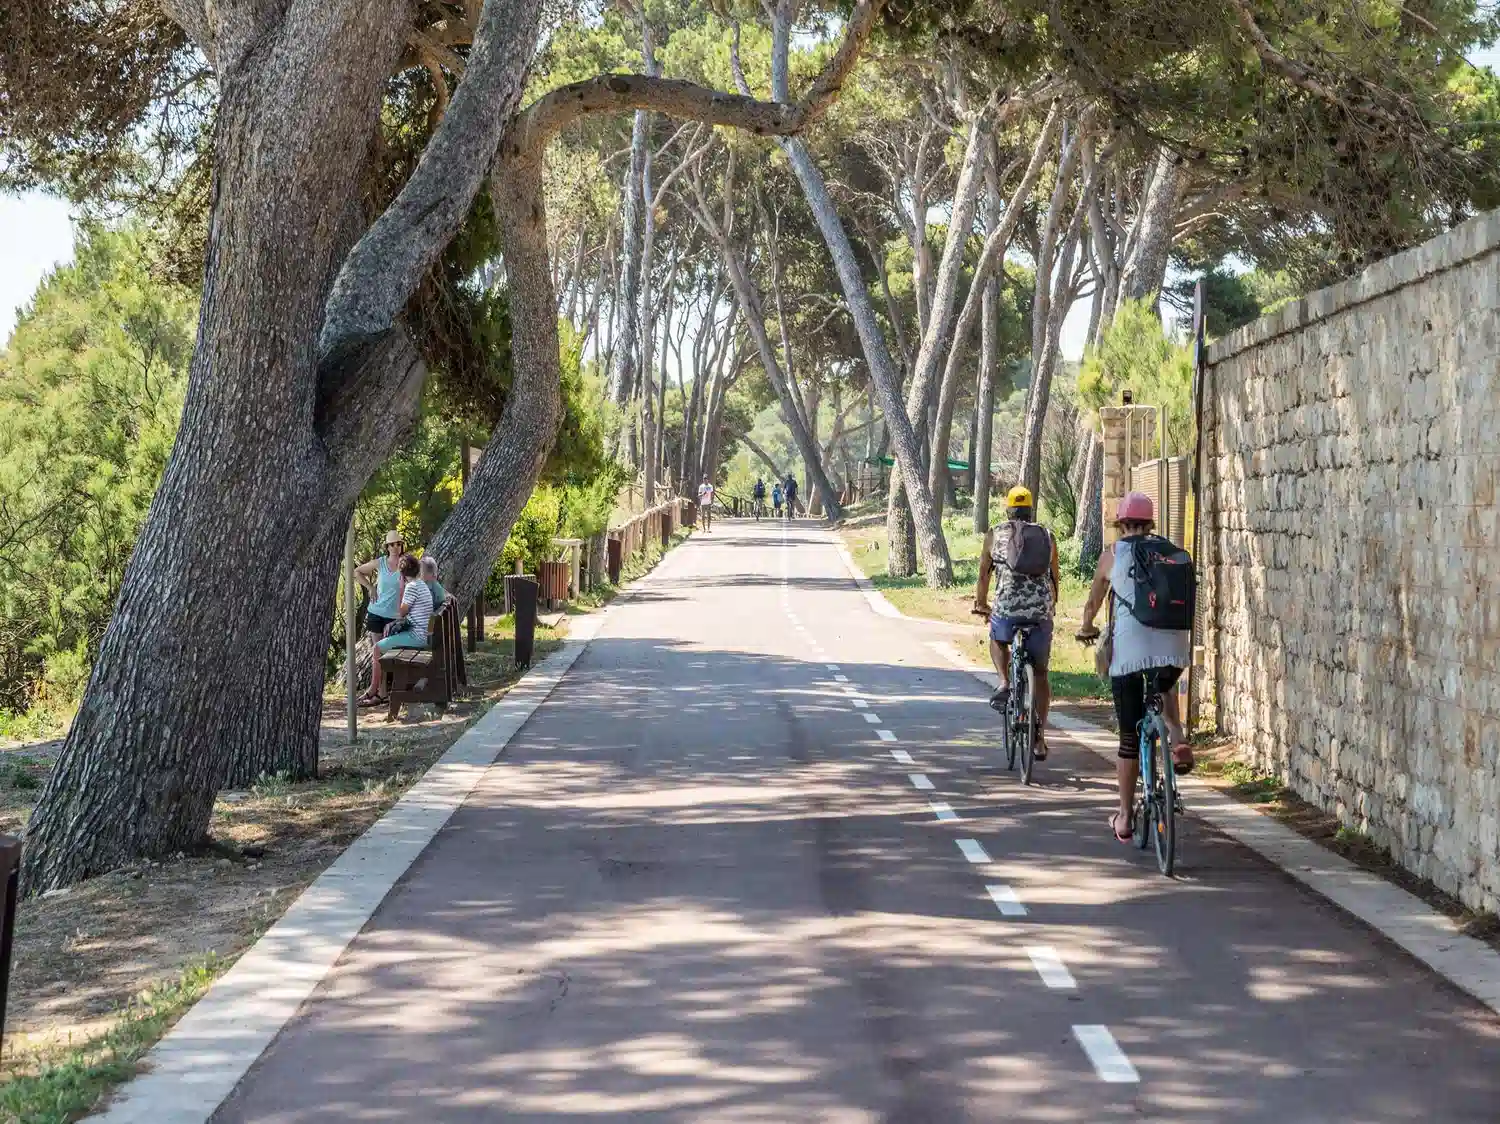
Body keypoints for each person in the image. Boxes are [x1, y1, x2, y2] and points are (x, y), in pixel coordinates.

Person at [1077, 491, 1194, 843]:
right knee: (1163, 685)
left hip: (1130, 652)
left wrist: (1086, 627)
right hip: (1175, 647)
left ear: (1121, 524)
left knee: (1128, 737)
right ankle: (1177, 738)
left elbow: (1094, 601)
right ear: (1150, 523)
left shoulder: (1113, 555)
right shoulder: (1171, 553)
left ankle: (1125, 817)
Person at [973, 485, 1060, 760]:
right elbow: (1054, 577)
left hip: (1007, 608)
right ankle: (1039, 739)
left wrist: (981, 604)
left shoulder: (994, 534)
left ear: (1008, 510)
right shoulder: (1047, 535)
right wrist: (1051, 606)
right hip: (1040, 611)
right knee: (1041, 674)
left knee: (998, 639)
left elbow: (984, 574)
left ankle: (1003, 681)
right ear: (1030, 510)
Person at [354, 530, 406, 705]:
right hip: (376, 613)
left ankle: (379, 691)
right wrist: (370, 587)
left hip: (394, 618)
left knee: (386, 654)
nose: (396, 547)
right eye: (392, 544)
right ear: (387, 547)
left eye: (398, 544)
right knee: (377, 654)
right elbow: (357, 572)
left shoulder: (406, 563)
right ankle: (379, 692)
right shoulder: (381, 562)